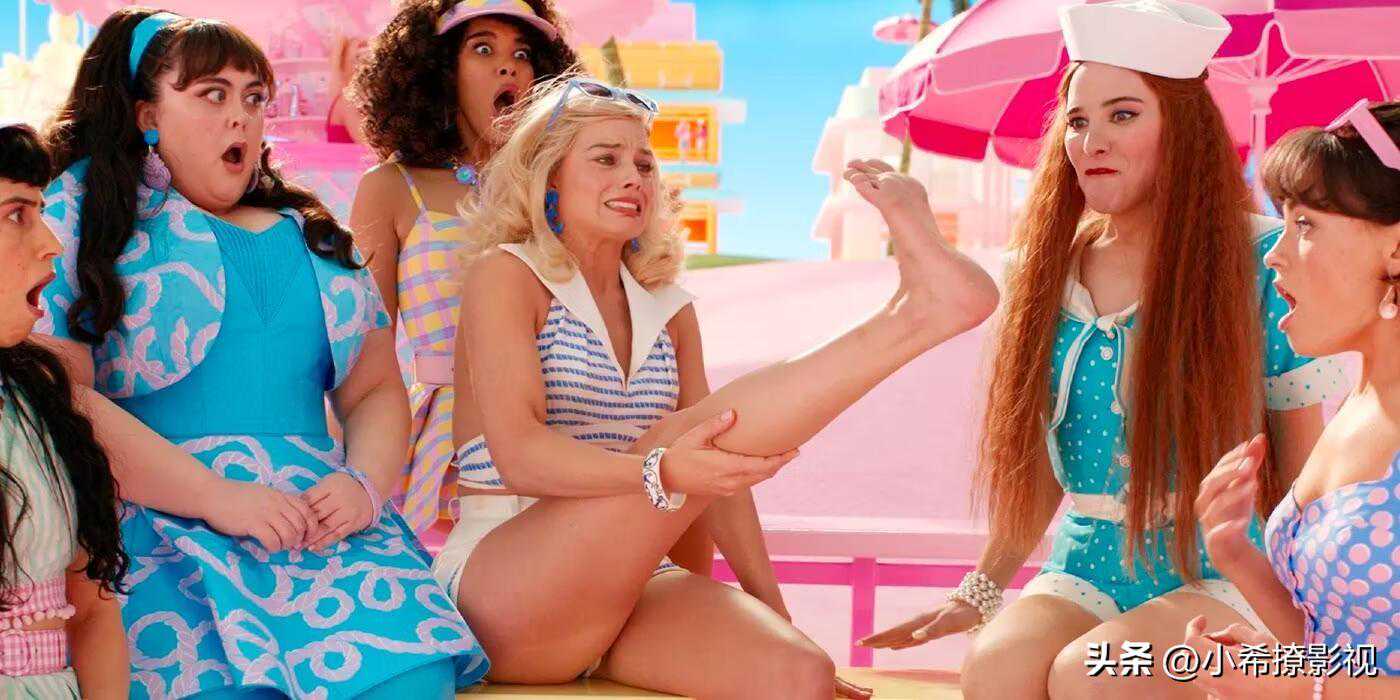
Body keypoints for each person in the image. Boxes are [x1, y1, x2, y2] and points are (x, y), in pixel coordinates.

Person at [431, 75, 1000, 699]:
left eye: (644, 164)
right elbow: (520, 455)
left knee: (798, 674)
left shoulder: (669, 307)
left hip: (633, 586)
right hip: (508, 583)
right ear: (549, 179)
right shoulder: (505, 275)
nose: (633, 178)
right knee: (686, 434)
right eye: (606, 159)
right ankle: (914, 317)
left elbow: (717, 471)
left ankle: (916, 311)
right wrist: (663, 470)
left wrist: (772, 609)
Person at [861, 3, 1347, 698]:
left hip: (1222, 572)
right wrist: (980, 591)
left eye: (1123, 115)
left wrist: (1318, 626)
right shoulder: (1042, 270)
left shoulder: (1262, 260)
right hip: (1085, 564)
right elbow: (1038, 470)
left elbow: (1303, 469)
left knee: (1096, 674)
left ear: (1180, 128)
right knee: (995, 671)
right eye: (1078, 120)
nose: (1092, 140)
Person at [36, 10, 488, 697]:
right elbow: (61, 394)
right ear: (147, 115)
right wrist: (215, 497)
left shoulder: (315, 233)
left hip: (324, 534)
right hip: (154, 536)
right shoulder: (80, 213)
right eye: (212, 94)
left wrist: (365, 487)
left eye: (254, 98)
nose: (240, 117)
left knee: (413, 682)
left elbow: (373, 388)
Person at [1187, 99, 1400, 699]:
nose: (1273, 253)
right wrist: (1236, 554)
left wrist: (1291, 689)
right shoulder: (1359, 403)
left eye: (1304, 224)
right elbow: (1341, 649)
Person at [0, 120, 129, 699]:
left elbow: (94, 612)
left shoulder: (41, 394)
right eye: (16, 214)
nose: (51, 242)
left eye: (41, 211)